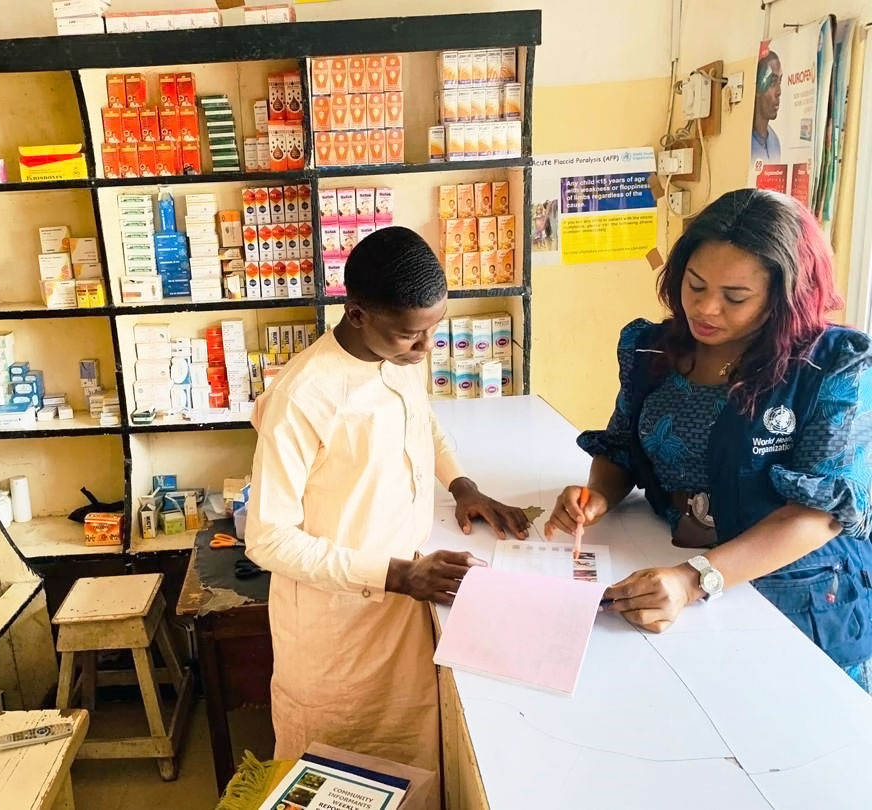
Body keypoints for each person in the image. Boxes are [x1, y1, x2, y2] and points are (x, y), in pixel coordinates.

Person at [545, 188, 872, 691]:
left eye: (735, 297)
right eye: (694, 286)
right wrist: (598, 496)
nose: (706, 309)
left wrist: (695, 578)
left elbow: (818, 515)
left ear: (786, 297)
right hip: (664, 563)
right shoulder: (652, 347)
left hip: (797, 590)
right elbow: (622, 449)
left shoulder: (832, 367)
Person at [246, 226, 529, 787]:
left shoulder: (395, 354)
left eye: (433, 329)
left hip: (403, 601)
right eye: (411, 336)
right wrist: (398, 575)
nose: (426, 348)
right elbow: (268, 539)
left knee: (411, 756)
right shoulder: (303, 397)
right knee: (340, 770)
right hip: (337, 627)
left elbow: (419, 420)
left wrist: (461, 483)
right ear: (356, 314)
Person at [752, 50, 782, 163]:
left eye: (780, 81)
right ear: (757, 88)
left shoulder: (775, 142)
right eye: (772, 82)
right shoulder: (744, 142)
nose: (779, 92)